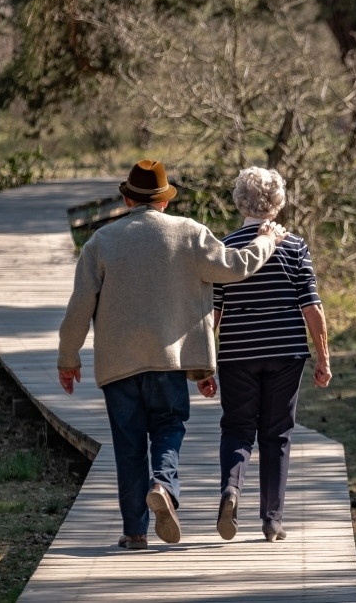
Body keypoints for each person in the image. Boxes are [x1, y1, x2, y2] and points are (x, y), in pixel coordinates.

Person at [57, 159, 287, 551]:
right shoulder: (189, 233)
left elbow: (80, 304)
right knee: (168, 427)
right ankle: (163, 483)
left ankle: (135, 532)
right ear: (164, 202)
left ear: (127, 198)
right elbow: (235, 266)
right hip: (170, 360)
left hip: (118, 364)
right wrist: (267, 240)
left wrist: (68, 358)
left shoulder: (101, 242)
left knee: (128, 444)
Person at [198, 166, 332, 543]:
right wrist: (323, 358)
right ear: (278, 202)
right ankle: (272, 520)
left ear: (240, 201)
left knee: (238, 428)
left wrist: (204, 365)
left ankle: (231, 490)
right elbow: (312, 307)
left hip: (237, 353)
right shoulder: (294, 246)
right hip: (286, 352)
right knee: (277, 434)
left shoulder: (225, 249)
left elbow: (213, 314)